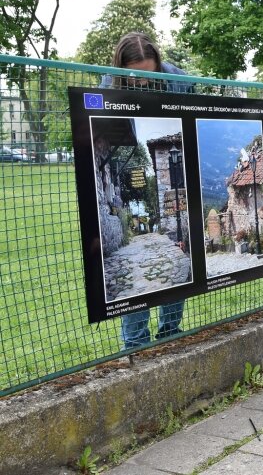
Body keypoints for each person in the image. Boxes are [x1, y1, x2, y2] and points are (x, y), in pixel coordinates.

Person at [100, 32, 193, 349]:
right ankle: (136, 343)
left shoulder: (178, 80)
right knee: (136, 289)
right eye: (134, 82)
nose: (142, 88)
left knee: (179, 271)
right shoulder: (107, 84)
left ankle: (170, 331)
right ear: (121, 72)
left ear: (159, 68)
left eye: (149, 80)